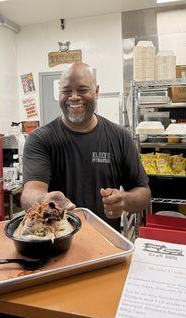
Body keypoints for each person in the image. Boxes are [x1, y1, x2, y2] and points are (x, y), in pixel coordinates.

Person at [21, 62, 150, 231]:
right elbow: (30, 192)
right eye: (66, 91)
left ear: (96, 92)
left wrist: (124, 200)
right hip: (55, 241)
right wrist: (44, 200)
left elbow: (143, 192)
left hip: (105, 242)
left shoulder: (120, 137)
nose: (74, 97)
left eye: (82, 90)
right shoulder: (40, 139)